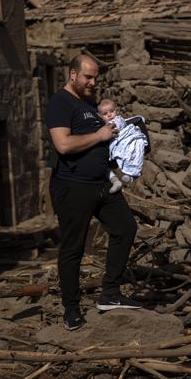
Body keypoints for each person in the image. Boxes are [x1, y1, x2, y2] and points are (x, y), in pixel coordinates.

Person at [45, 54, 141, 331]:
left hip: (102, 184)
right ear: (72, 74)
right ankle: (71, 310)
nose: (93, 82)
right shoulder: (59, 102)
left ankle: (110, 294)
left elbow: (103, 141)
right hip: (72, 186)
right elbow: (63, 145)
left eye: (95, 77)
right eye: (88, 77)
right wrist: (100, 136)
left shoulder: (88, 104)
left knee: (125, 228)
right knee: (73, 248)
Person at [97, 98, 148, 193]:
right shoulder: (103, 124)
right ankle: (128, 174)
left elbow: (118, 127)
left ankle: (131, 173)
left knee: (131, 151)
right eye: (105, 114)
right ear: (101, 116)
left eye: (111, 111)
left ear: (116, 110)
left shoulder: (117, 120)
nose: (109, 115)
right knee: (124, 155)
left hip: (124, 138)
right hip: (116, 142)